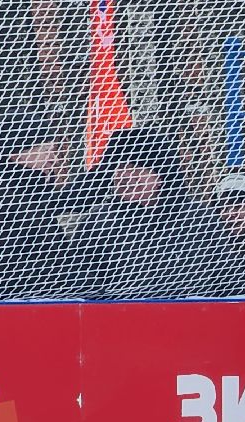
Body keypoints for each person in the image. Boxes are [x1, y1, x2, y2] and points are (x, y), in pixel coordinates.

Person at [74, 126, 217, 299]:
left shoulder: (202, 221)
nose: (128, 175)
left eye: (139, 167)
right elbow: (83, 282)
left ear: (161, 176)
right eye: (121, 167)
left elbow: (224, 281)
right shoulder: (97, 223)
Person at [0, 118, 81, 300]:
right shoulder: (0, 199)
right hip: (10, 307)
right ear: (17, 153)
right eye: (45, 150)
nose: (53, 158)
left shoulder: (24, 192)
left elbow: (68, 200)